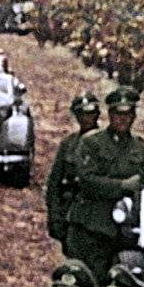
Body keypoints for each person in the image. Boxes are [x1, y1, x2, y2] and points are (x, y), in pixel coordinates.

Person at [69, 86, 144, 284]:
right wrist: (122, 185)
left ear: (134, 116)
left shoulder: (141, 148)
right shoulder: (92, 143)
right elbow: (87, 181)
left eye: (128, 114)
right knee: (90, 283)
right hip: (93, 227)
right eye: (118, 114)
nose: (123, 119)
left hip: (127, 231)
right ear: (110, 114)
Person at [45, 92, 101, 249]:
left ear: (97, 114)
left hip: (99, 215)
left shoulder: (107, 143)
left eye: (91, 114)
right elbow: (54, 184)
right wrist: (55, 218)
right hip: (70, 214)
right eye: (82, 114)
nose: (86, 118)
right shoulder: (68, 144)